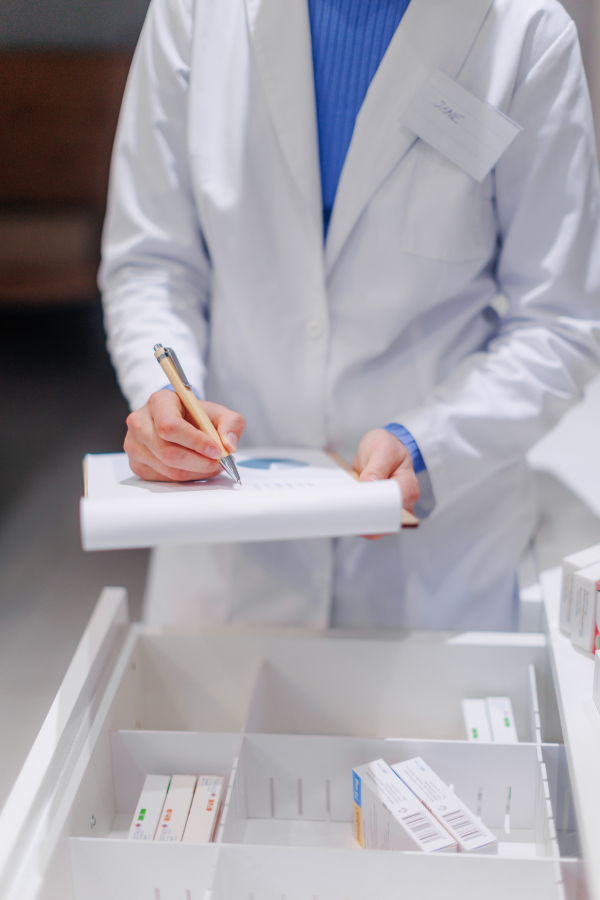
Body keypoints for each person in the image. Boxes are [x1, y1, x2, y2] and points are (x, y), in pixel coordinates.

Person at [101, 0, 600, 630]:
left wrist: (428, 444)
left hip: (436, 561)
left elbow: (559, 322)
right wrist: (171, 404)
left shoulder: (524, 30)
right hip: (234, 542)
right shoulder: (197, 13)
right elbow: (151, 263)